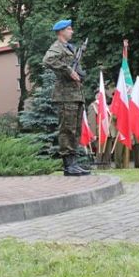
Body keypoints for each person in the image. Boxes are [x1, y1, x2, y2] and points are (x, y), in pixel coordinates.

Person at [43, 20, 90, 176]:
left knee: (76, 130)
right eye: (69, 29)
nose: (72, 31)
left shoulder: (71, 48)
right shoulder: (57, 47)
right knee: (67, 130)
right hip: (65, 95)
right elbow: (48, 60)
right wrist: (68, 70)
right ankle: (68, 165)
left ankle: (74, 162)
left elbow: (78, 71)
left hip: (76, 95)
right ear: (61, 31)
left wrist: (78, 73)